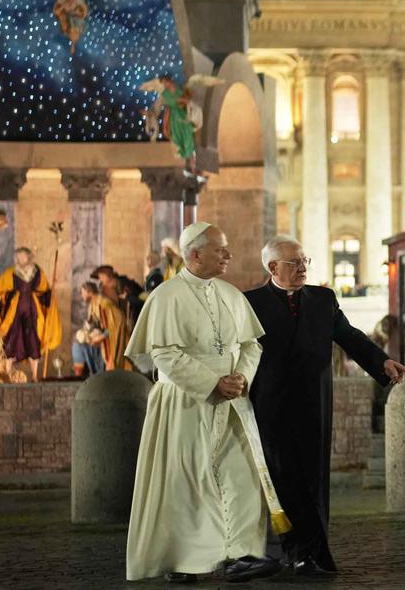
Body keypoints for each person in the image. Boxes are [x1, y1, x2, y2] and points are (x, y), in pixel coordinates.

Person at [124, 222, 283, 584]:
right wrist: (212, 383)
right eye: (220, 249)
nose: (229, 254)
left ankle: (241, 555)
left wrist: (241, 376)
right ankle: (184, 559)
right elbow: (163, 353)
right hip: (185, 400)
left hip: (232, 400)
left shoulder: (230, 294)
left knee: (240, 475)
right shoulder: (166, 297)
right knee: (187, 480)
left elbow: (250, 345)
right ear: (195, 255)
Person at [245, 236, 405, 575]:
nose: (303, 267)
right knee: (281, 477)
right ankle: (290, 550)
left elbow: (350, 337)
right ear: (272, 267)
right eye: (294, 262)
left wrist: (382, 363)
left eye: (305, 260)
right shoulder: (249, 303)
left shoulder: (323, 299)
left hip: (313, 401)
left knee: (314, 476)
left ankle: (315, 550)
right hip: (268, 403)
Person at [0, 248, 61, 382]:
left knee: (33, 341)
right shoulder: (11, 272)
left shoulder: (37, 272)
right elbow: (1, 289)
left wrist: (50, 292)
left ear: (28, 257)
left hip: (32, 310)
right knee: (11, 340)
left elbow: (44, 290)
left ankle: (34, 375)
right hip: (14, 312)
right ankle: (7, 373)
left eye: (23, 256)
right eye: (19, 257)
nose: (21, 259)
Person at [73, 281, 127, 377]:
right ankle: (87, 375)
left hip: (112, 338)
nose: (81, 296)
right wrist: (86, 334)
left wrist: (100, 337)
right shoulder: (93, 305)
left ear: (89, 291)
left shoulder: (103, 304)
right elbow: (93, 324)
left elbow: (113, 327)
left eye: (82, 292)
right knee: (78, 345)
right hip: (100, 339)